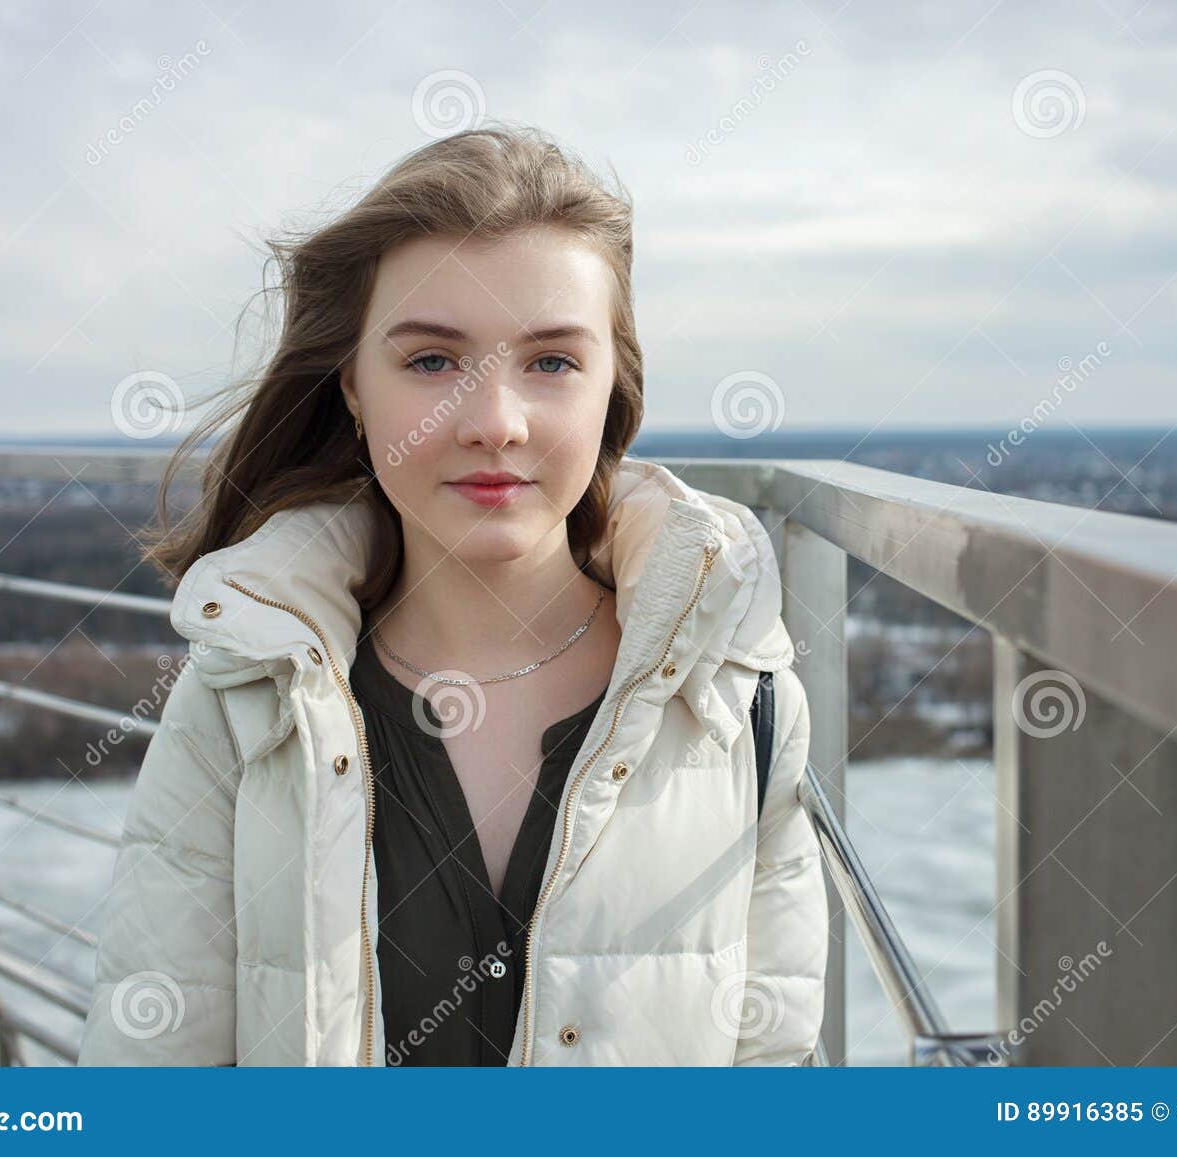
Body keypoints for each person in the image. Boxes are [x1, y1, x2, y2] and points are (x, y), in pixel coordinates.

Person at [77, 123, 827, 1066]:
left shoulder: (738, 701)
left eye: (551, 362)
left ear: (613, 390)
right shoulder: (241, 702)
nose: (493, 424)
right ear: (352, 386)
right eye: (431, 361)